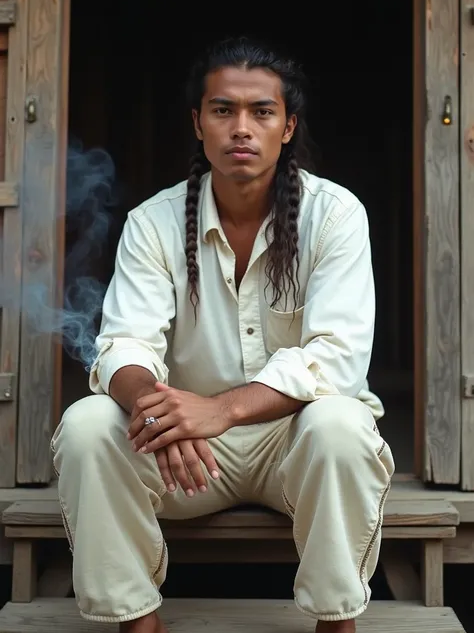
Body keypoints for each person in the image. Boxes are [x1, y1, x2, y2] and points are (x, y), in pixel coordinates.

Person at [51, 36, 394, 633]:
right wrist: (163, 414)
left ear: (287, 126)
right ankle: (139, 621)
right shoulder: (153, 222)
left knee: (340, 424)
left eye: (261, 112)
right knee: (86, 425)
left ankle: (336, 622)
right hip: (189, 457)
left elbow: (337, 359)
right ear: (198, 123)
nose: (242, 128)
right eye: (222, 110)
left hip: (295, 450)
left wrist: (220, 409)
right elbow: (124, 345)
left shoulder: (334, 214)